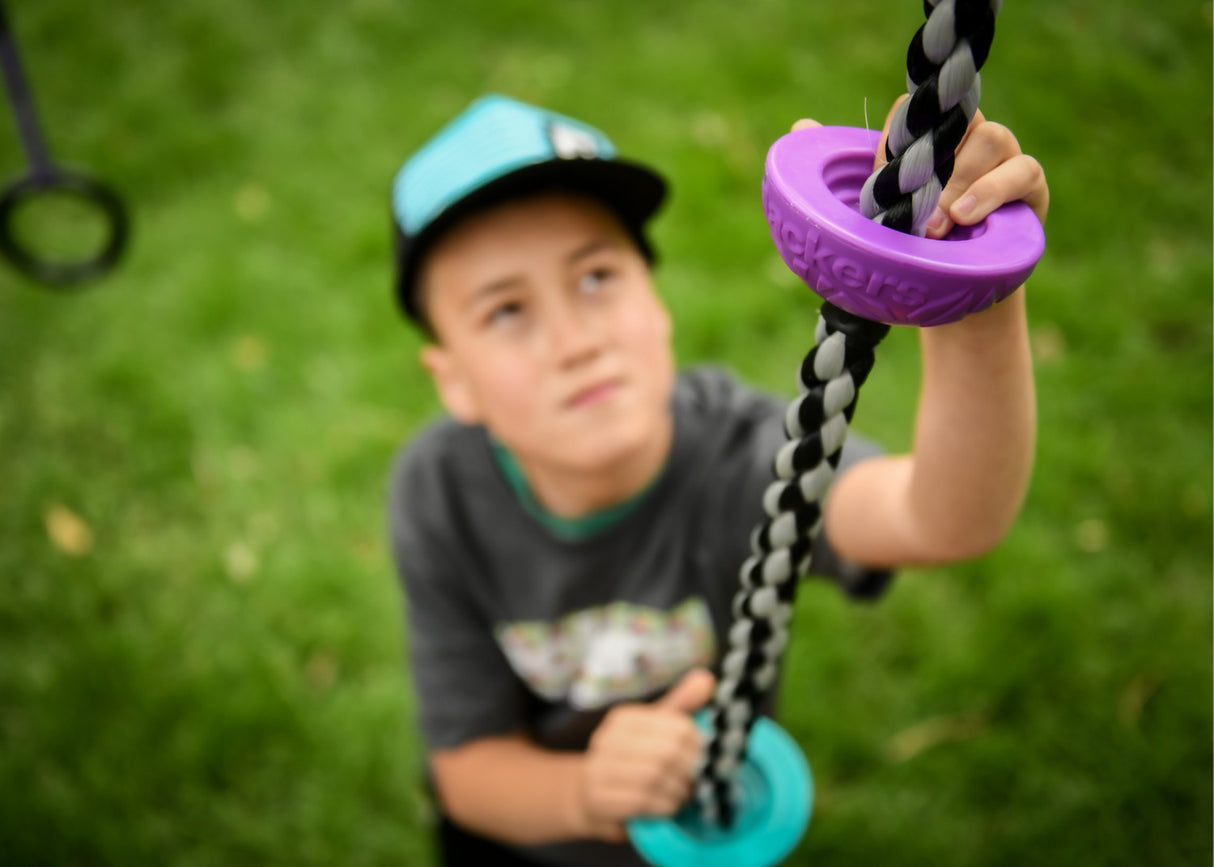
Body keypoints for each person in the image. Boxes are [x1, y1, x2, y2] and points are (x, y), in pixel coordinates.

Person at [385, 94, 1048, 867]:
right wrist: (587, 794)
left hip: (721, 826)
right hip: (529, 836)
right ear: (452, 378)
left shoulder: (746, 455)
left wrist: (976, 294)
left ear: (656, 300)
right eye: (505, 311)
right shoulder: (439, 495)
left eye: (596, 276)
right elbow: (467, 770)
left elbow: (942, 519)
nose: (574, 341)